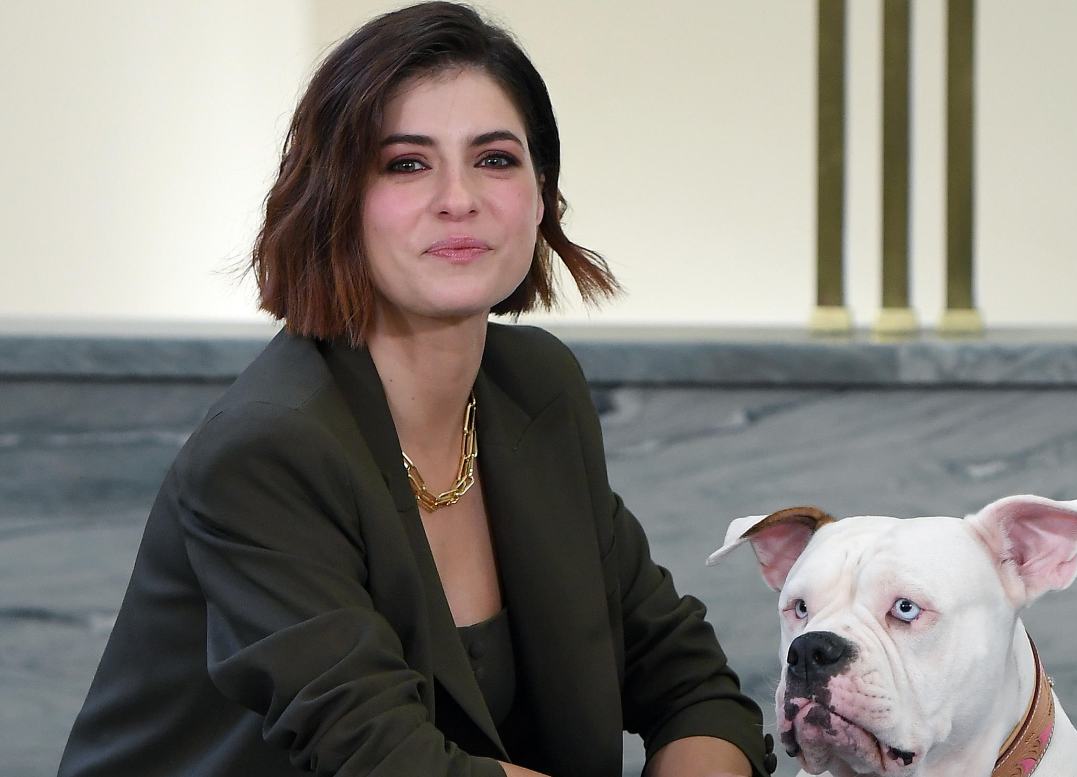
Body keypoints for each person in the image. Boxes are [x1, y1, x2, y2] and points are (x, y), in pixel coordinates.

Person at [57, 3, 776, 776]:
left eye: (494, 158)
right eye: (406, 163)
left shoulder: (538, 389)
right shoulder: (266, 448)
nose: (458, 198)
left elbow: (690, 682)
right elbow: (387, 759)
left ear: (541, 194)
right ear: (336, 201)